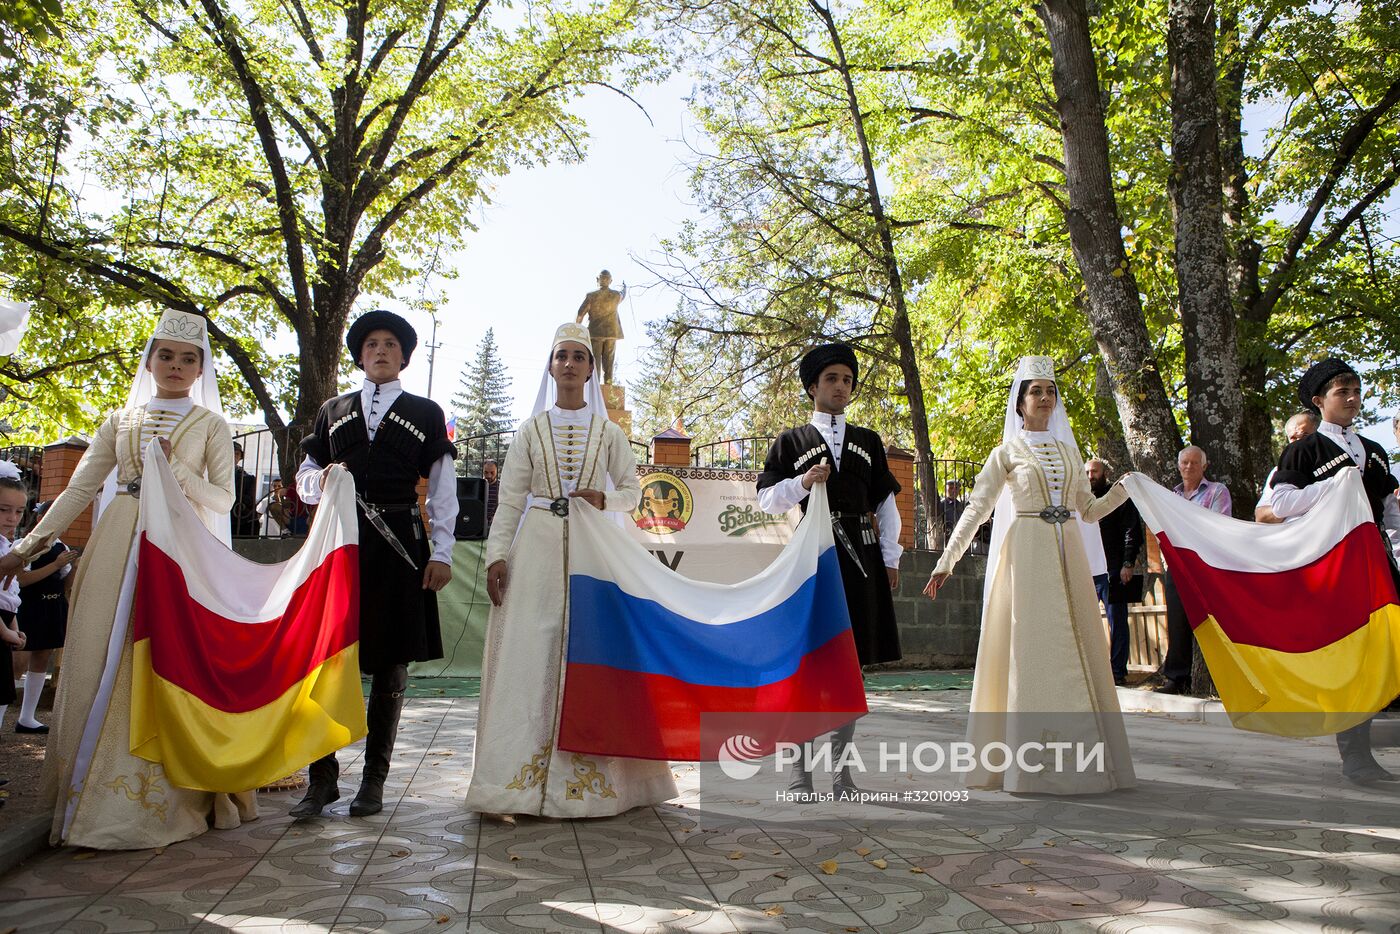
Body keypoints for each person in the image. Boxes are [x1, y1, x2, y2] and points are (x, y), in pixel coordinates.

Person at [0, 309, 257, 849]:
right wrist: (24, 548)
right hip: (117, 542)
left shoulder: (211, 425)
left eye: (189, 359)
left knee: (161, 658)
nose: (176, 366)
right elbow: (77, 490)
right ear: (149, 359)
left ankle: (159, 793)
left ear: (201, 367)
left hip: (175, 546)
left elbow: (224, 499)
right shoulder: (119, 420)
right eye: (166, 355)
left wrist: (174, 471)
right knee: (99, 653)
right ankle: (86, 793)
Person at [465, 322, 676, 818]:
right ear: (551, 364)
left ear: (590, 369)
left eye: (579, 357)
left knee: (588, 652)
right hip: (535, 550)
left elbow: (635, 489)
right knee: (531, 655)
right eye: (561, 356)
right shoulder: (530, 430)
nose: (569, 364)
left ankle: (594, 786)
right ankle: (512, 786)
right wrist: (498, 556)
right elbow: (511, 499)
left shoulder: (609, 433)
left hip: (591, 549)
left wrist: (605, 498)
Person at [924, 356, 1135, 794]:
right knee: (1033, 653)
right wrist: (947, 560)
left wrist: (1125, 489)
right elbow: (977, 509)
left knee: (1076, 648)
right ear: (1020, 403)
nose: (1044, 398)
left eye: (1050, 391)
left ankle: (1084, 762)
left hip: (1068, 556)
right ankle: (1030, 764)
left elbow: (1090, 511)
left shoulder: (1070, 452)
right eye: (1035, 391)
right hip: (1028, 555)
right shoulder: (1007, 453)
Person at [290, 310, 457, 819]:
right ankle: (322, 782)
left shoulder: (426, 412)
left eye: (390, 344)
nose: (380, 351)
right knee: (324, 661)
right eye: (371, 345)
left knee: (390, 666)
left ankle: (373, 782)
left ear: (404, 356)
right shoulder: (332, 410)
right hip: (339, 548)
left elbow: (443, 488)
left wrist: (443, 552)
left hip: (400, 548)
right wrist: (324, 482)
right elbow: (304, 476)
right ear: (360, 355)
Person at [757, 343, 903, 799]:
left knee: (850, 667)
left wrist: (891, 557)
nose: (840, 386)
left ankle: (842, 774)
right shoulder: (792, 442)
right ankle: (801, 774)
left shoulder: (869, 442)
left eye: (846, 380)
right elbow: (765, 499)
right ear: (812, 387)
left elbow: (886, 504)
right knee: (811, 664)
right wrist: (801, 482)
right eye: (831, 379)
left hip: (861, 562)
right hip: (814, 562)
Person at [1269, 358, 1400, 785]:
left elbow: (1387, 511)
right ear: (1318, 400)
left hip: (1376, 561)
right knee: (1353, 658)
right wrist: (1336, 484)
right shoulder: (1304, 449)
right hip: (1334, 564)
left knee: (1387, 647)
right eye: (1342, 392)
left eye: (1357, 391)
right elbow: (1283, 504)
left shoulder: (1375, 452)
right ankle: (1357, 758)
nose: (1352, 399)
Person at [1156, 445, 1234, 694]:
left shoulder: (1217, 491)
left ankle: (1223, 679)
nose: (1189, 467)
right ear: (1179, 466)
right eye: (1185, 463)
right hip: (1178, 567)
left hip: (1206, 566)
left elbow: (1218, 526)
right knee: (1177, 623)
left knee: (1214, 623)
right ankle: (1176, 679)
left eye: (1194, 463)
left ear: (1204, 466)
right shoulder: (1172, 496)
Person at [13, 501, 79, 733]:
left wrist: (75, 567)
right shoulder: (24, 545)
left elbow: (65, 584)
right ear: (41, 518)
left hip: (52, 607)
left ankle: (27, 717)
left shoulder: (61, 546)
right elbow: (21, 580)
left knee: (42, 657)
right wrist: (57, 564)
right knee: (18, 661)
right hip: (29, 606)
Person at [1086, 458, 1143, 686]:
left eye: (1095, 472)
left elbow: (1132, 529)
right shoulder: (1081, 499)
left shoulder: (1117, 497)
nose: (1091, 476)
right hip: (1088, 569)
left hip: (1113, 570)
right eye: (1087, 472)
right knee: (1085, 623)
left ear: (1105, 473)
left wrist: (1128, 563)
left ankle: (1117, 673)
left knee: (1117, 621)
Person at [0, 471, 29, 735]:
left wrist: (15, 626)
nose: (12, 518)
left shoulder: (8, 545)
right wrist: (5, 630)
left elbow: (9, 595)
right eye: (4, 509)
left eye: (19, 511)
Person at [1255, 412, 1319, 523]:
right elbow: (1262, 517)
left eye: (1305, 436)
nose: (1299, 443)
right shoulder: (1279, 471)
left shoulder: (1334, 463)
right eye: (1293, 438)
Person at [574, 269, 626, 385]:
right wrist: (624, 288)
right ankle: (608, 385)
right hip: (611, 333)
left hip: (595, 334)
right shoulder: (616, 295)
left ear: (598, 280)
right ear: (610, 281)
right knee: (609, 361)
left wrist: (576, 330)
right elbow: (623, 295)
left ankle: (595, 387)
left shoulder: (591, 296)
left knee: (595, 361)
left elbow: (580, 314)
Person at [230, 441, 259, 536]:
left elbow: (250, 501)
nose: (233, 456)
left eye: (237, 454)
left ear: (240, 457)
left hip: (241, 521)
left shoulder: (248, 478)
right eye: (231, 453)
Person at [482, 458, 500, 528]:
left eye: (492, 473)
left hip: (495, 524)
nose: (489, 476)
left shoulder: (502, 487)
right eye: (486, 472)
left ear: (497, 471)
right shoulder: (478, 485)